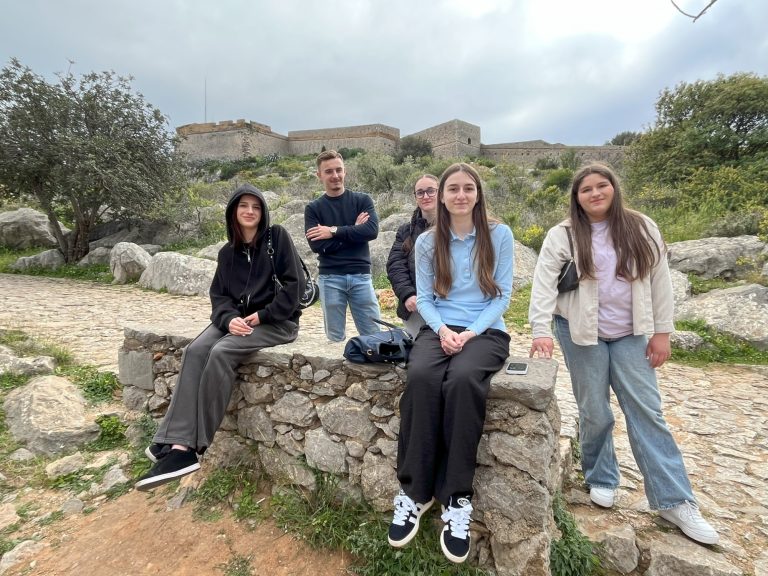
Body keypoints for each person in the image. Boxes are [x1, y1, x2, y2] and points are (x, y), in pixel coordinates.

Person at [528, 162, 719, 545]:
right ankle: (601, 477)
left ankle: (674, 500)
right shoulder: (563, 234)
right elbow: (544, 282)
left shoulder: (641, 227)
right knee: (594, 409)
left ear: (614, 188)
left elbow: (660, 281)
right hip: (579, 331)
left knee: (646, 411)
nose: (595, 193)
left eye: (602, 186)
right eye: (586, 189)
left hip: (631, 332)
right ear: (577, 197)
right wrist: (540, 330)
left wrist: (662, 332)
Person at [136, 183, 303, 491]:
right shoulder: (227, 253)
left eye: (256, 206)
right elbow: (219, 297)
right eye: (244, 206)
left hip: (277, 321)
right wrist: (230, 319)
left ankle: (189, 448)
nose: (250, 211)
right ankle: (173, 438)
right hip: (238, 320)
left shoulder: (276, 237)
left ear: (263, 211)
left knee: (221, 352)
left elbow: (295, 286)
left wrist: (262, 315)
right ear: (233, 212)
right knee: (196, 350)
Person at [389, 163, 514, 564]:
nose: (461, 195)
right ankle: (415, 492)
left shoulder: (499, 235)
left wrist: (470, 334)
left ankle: (456, 497)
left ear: (478, 193)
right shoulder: (428, 241)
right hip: (439, 328)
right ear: (441, 197)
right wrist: (443, 331)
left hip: (486, 330)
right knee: (421, 377)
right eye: (453, 189)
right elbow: (424, 298)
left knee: (462, 381)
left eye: (468, 188)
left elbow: (502, 296)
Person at [304, 150, 381, 342]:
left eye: (339, 170)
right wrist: (354, 230)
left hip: (361, 276)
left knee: (374, 336)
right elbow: (318, 246)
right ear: (319, 175)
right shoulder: (313, 208)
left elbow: (371, 231)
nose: (335, 175)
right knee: (334, 340)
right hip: (330, 278)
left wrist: (333, 231)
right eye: (328, 171)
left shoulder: (362, 200)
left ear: (345, 171)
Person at [386, 174, 439, 336]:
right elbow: (396, 265)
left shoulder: (456, 228)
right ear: (415, 197)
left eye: (431, 191)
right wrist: (407, 294)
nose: (425, 196)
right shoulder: (405, 231)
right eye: (420, 192)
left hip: (450, 307)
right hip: (416, 308)